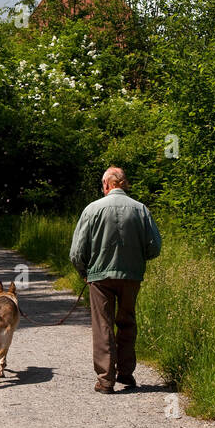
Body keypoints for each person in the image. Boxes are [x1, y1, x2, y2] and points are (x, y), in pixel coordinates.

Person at [69, 166, 162, 393]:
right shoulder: (141, 210)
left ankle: (105, 380)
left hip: (100, 277)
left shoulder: (92, 210)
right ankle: (126, 374)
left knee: (103, 325)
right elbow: (155, 247)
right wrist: (138, 260)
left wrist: (84, 272)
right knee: (127, 321)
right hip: (131, 275)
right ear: (123, 184)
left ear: (107, 185)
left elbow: (76, 252)